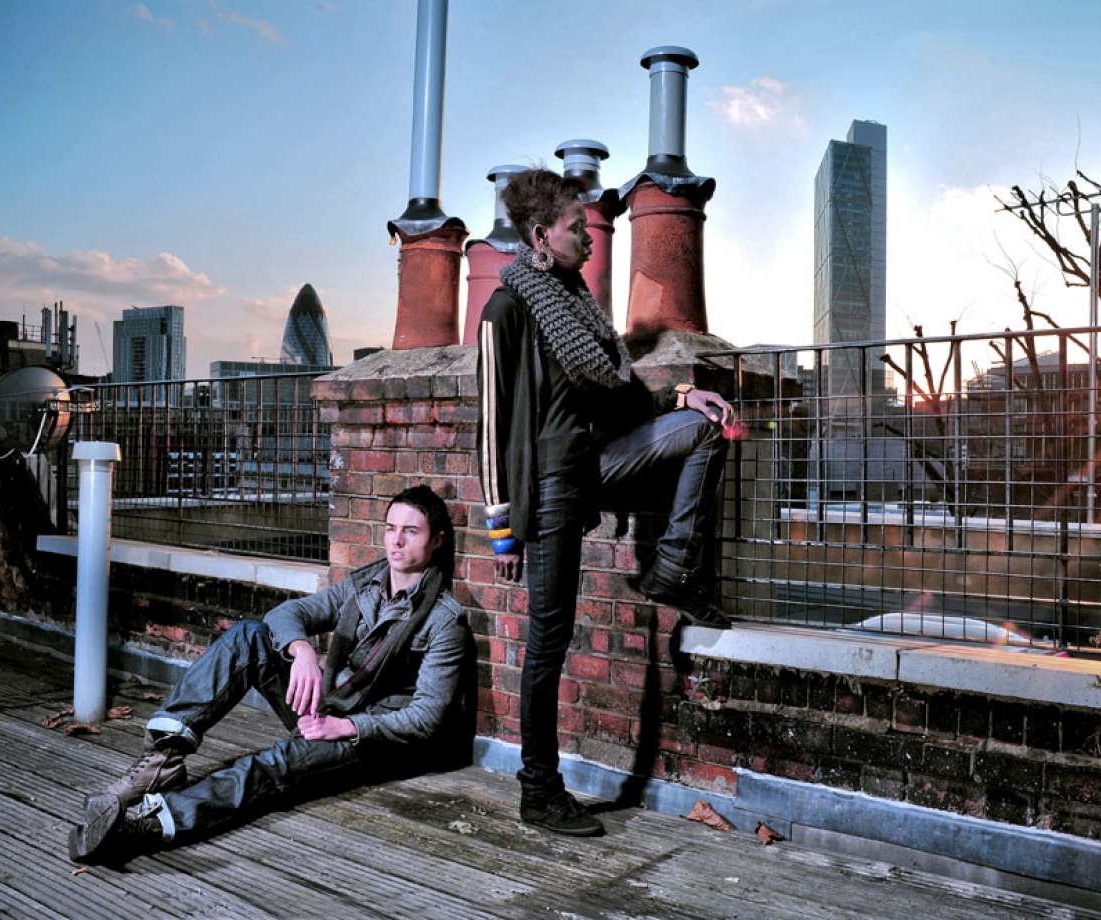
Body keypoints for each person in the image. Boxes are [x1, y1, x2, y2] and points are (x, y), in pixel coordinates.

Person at [476, 167, 735, 838]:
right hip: (550, 488)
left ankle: (672, 568)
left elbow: (618, 400)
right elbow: (490, 428)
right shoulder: (506, 311)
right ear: (541, 235)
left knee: (704, 429)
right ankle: (539, 792)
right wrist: (502, 530)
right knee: (549, 640)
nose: (589, 238)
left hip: (593, 465)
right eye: (576, 228)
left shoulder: (574, 303)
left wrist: (681, 396)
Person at [69, 485, 470, 865]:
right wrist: (302, 650)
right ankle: (162, 759)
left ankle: (148, 826)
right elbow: (288, 613)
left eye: (410, 531)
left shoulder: (443, 621)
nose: (396, 541)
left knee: (272, 764)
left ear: (435, 540)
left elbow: (426, 718)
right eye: (391, 528)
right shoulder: (365, 586)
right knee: (249, 636)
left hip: (374, 738)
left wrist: (346, 727)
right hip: (336, 705)